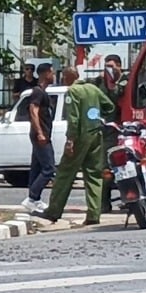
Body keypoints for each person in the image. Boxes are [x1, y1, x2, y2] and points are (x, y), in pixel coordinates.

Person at [37, 67, 116, 228]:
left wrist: (70, 140)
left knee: (65, 174)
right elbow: (109, 106)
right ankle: (94, 214)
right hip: (96, 134)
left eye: (64, 77)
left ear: (68, 77)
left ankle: (53, 211)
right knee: (94, 175)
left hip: (80, 136)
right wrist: (97, 117)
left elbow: (73, 118)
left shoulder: (72, 91)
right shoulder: (93, 89)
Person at [20, 61, 58, 214]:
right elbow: (33, 111)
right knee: (49, 168)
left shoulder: (43, 92)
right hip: (40, 136)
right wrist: (40, 132)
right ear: (46, 73)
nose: (54, 75)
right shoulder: (38, 92)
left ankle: (34, 200)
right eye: (52, 72)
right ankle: (32, 197)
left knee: (36, 168)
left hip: (43, 134)